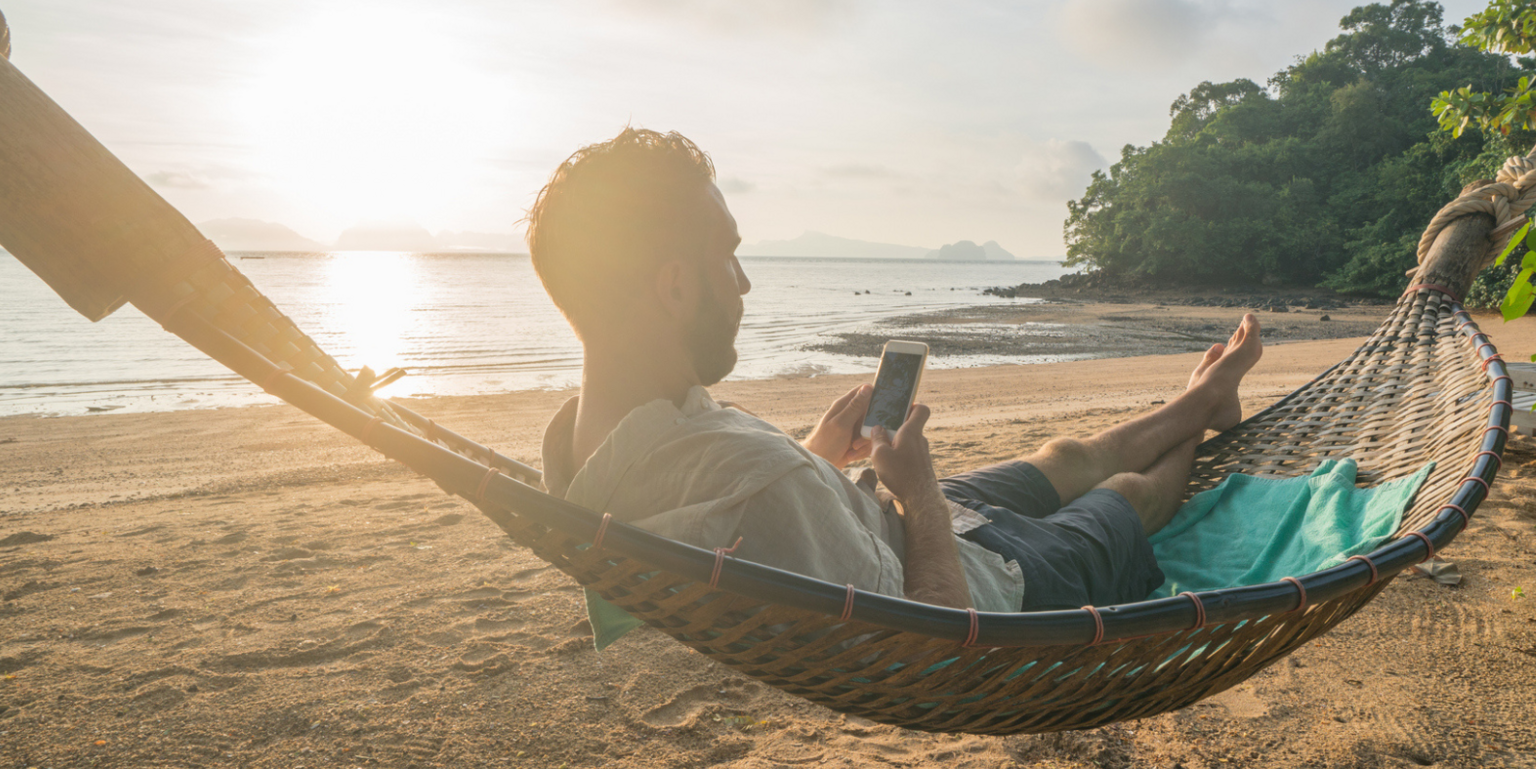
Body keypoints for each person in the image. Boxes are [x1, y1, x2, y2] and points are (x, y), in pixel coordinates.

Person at [527, 128, 1261, 617]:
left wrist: (814, 453)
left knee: (1066, 457)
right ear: (677, 286)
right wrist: (917, 491)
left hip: (871, 516)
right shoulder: (757, 480)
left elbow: (744, 504)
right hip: (984, 579)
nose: (744, 282)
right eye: (728, 255)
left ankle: (1201, 397)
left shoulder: (576, 459)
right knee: (1126, 493)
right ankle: (1203, 410)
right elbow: (933, 628)